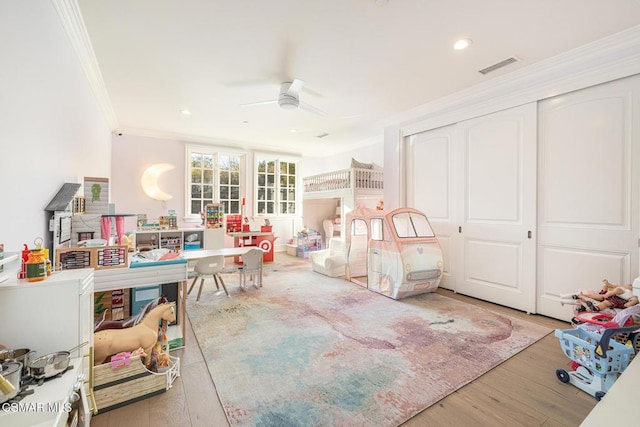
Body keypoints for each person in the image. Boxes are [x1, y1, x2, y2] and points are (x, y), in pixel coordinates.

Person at [561, 279, 638, 312]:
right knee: (599, 296)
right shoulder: (625, 287)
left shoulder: (635, 296)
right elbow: (614, 286)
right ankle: (583, 295)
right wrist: (607, 284)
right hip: (610, 295)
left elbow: (631, 303)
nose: (630, 285)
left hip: (618, 300)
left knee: (606, 303)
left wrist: (629, 304)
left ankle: (596, 308)